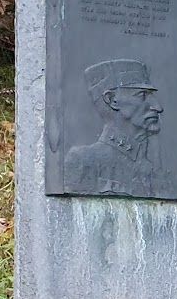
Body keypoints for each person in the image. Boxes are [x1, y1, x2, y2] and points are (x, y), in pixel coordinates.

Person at [64, 58, 165, 196]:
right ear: (112, 100)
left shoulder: (153, 170)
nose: (158, 107)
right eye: (142, 95)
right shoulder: (83, 161)